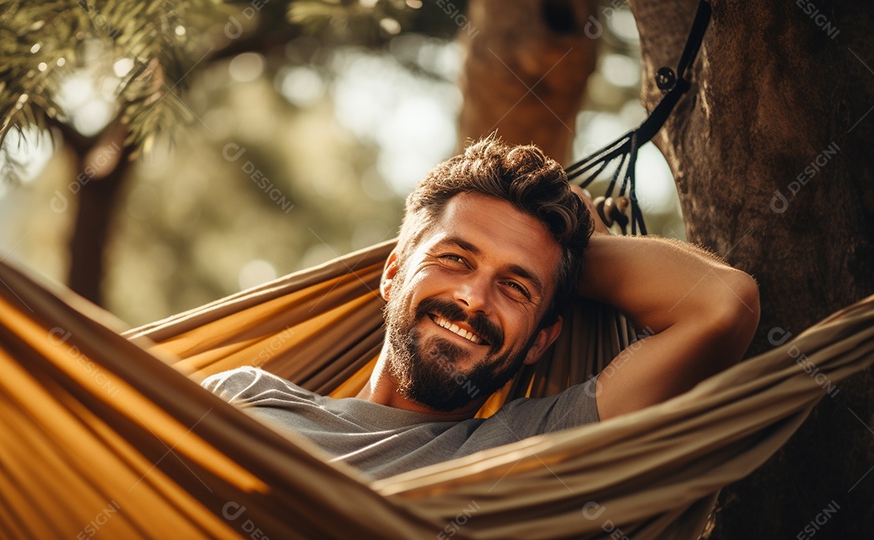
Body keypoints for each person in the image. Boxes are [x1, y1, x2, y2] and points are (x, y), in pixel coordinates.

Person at [203, 135, 760, 480]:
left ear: (542, 339)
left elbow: (721, 304)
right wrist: (537, 261)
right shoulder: (245, 397)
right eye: (455, 259)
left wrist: (569, 255)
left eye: (516, 288)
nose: (474, 297)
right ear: (393, 273)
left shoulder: (527, 452)